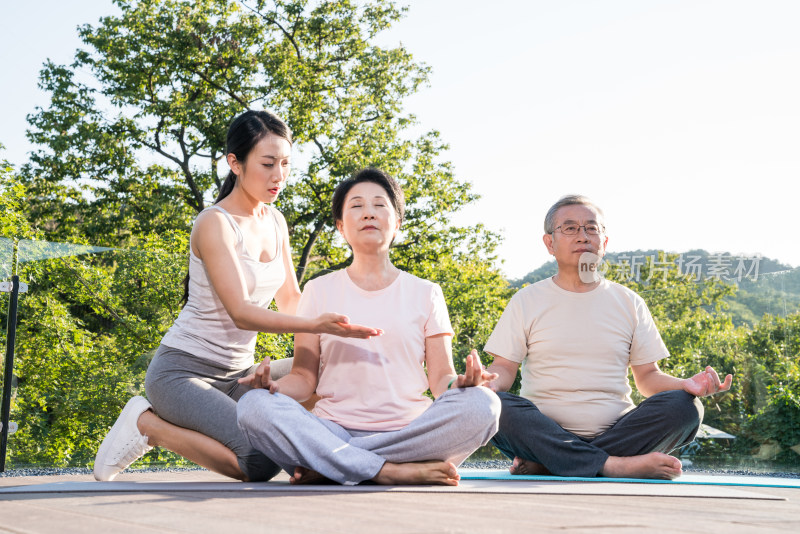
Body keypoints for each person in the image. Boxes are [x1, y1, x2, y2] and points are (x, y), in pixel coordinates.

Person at [93, 110, 380, 482]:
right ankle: (147, 424)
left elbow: (290, 299)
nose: (279, 175)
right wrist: (314, 324)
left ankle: (340, 460)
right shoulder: (214, 223)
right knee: (258, 463)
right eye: (267, 163)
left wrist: (335, 334)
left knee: (332, 371)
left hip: (241, 376)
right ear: (235, 163)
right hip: (183, 373)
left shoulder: (275, 221)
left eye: (286, 164)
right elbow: (241, 312)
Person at [236, 168, 501, 486]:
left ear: (397, 223)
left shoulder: (426, 292)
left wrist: (462, 384)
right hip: (333, 429)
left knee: (484, 405)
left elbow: (440, 378)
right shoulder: (318, 291)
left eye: (379, 204)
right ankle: (388, 470)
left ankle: (334, 463)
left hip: (410, 433)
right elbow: (304, 379)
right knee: (253, 406)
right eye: (357, 206)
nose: (368, 213)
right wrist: (273, 390)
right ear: (341, 227)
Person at [485, 194, 733, 480]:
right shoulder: (526, 300)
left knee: (685, 407)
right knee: (493, 405)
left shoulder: (628, 301)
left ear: (604, 242)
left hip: (618, 432)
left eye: (592, 228)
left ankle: (555, 462)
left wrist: (686, 385)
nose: (583, 236)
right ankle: (613, 465)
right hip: (543, 431)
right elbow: (504, 368)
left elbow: (648, 378)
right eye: (570, 228)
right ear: (549, 243)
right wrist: (485, 384)